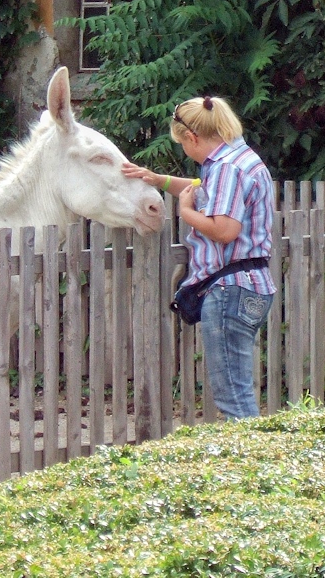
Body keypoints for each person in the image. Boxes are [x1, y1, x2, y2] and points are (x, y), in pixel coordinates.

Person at [121, 96, 276, 419]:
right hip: (253, 284)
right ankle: (257, 447)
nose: (184, 151)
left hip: (229, 289)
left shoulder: (225, 169)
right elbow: (203, 190)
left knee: (233, 398)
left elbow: (224, 230)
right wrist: (158, 180)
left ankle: (254, 450)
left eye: (182, 144)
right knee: (239, 389)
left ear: (192, 137)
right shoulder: (241, 158)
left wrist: (186, 212)